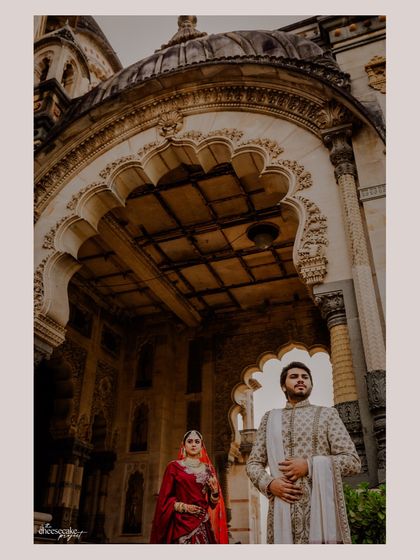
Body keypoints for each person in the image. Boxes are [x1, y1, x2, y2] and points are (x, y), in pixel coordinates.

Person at [246, 361, 361, 544]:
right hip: (281, 512)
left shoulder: (327, 415)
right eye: (294, 377)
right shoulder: (270, 418)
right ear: (284, 385)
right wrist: (270, 484)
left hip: (321, 509)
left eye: (305, 377)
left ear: (311, 385)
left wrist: (309, 465)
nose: (300, 380)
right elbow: (253, 464)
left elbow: (353, 462)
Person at [150, 430, 229, 544]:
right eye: (190, 441)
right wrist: (184, 507)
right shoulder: (174, 467)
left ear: (201, 446)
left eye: (197, 442)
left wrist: (215, 492)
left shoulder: (208, 469)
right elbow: (164, 500)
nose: (193, 444)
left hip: (202, 522)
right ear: (184, 445)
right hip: (180, 523)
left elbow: (212, 504)